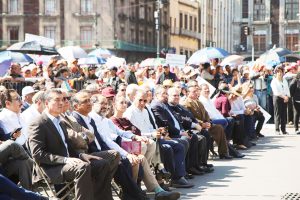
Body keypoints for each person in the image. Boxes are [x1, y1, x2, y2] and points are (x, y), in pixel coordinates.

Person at [28, 89, 113, 200]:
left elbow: (67, 146)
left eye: (62, 99)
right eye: (57, 100)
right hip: (51, 168)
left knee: (102, 163)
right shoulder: (38, 123)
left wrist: (81, 155)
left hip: (69, 162)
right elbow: (38, 154)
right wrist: (65, 160)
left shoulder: (60, 121)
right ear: (47, 103)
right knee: (83, 167)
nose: (61, 103)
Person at [183, 86, 232, 159]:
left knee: (219, 128)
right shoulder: (186, 104)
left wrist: (208, 122)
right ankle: (204, 158)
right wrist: (202, 124)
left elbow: (206, 114)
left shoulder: (199, 102)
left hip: (205, 124)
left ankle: (223, 153)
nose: (196, 93)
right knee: (208, 132)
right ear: (187, 93)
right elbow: (191, 117)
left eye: (197, 91)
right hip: (196, 126)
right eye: (194, 92)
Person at [271, 66, 290, 135]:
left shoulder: (284, 80)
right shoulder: (274, 81)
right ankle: (277, 129)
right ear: (276, 73)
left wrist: (287, 97)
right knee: (277, 114)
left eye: (281, 72)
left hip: (285, 98)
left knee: (283, 114)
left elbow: (287, 89)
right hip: (277, 98)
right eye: (278, 72)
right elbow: (276, 92)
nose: (279, 73)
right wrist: (284, 97)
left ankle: (283, 130)